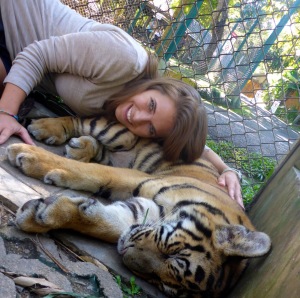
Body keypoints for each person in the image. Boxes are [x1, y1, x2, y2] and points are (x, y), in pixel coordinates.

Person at [0, 0, 243, 208]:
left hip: (10, 56)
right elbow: (36, 55)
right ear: (154, 86)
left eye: (150, 129)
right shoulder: (125, 59)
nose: (137, 118)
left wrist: (227, 171)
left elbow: (193, 147)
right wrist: (6, 113)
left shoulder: (133, 111)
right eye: (150, 106)